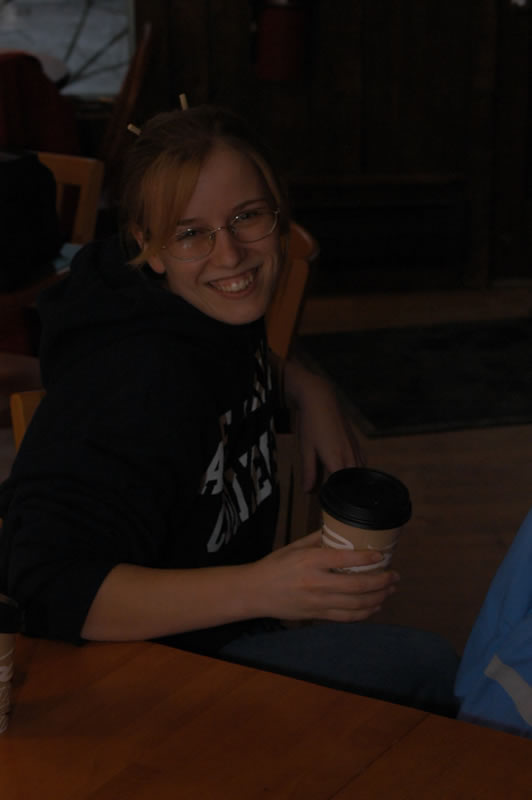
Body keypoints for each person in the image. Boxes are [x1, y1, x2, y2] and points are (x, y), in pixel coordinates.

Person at [0, 105, 458, 713]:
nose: (230, 255)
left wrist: (305, 387)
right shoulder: (131, 381)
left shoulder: (202, 310)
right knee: (431, 670)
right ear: (150, 247)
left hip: (223, 631)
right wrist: (261, 587)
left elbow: (226, 363)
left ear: (278, 212)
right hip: (137, 666)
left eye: (247, 217)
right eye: (191, 232)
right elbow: (47, 586)